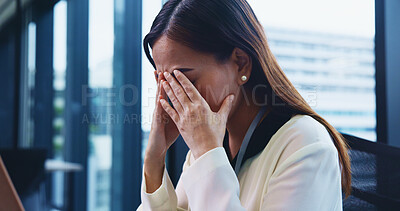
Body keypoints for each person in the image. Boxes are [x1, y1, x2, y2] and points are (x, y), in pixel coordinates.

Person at [137, 0, 351, 210]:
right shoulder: (210, 142)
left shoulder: (305, 144)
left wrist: (206, 152)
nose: (173, 96)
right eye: (163, 82)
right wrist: (154, 160)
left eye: (184, 81)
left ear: (240, 63)